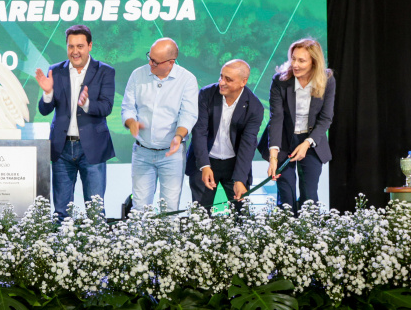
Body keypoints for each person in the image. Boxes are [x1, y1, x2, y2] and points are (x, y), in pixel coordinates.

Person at [34, 24, 116, 220]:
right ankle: (62, 248)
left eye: (80, 46)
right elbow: (44, 110)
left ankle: (97, 248)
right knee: (61, 211)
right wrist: (47, 93)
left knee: (96, 211)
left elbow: (106, 108)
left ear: (90, 46)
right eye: (71, 46)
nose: (75, 51)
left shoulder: (105, 71)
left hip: (92, 149)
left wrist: (87, 104)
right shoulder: (56, 71)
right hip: (61, 149)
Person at [121, 37, 198, 212]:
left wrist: (178, 136)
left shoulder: (187, 80)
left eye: (155, 61)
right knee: (139, 207)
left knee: (169, 208)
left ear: (171, 63)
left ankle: (167, 240)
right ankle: (138, 240)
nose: (150, 63)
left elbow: (188, 114)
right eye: (149, 57)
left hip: (172, 154)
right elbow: (127, 107)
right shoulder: (137, 75)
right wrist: (131, 122)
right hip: (142, 152)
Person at [258, 38, 335, 211]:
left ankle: (308, 234)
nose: (295, 64)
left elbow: (325, 118)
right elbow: (276, 118)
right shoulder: (280, 80)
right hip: (283, 139)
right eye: (293, 58)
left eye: (301, 60)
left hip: (311, 140)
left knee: (309, 195)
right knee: (286, 195)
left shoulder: (327, 80)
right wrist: (273, 157)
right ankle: (286, 233)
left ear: (314, 62)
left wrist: (307, 143)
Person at [186, 59, 263, 211]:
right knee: (200, 217)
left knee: (239, 217)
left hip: (235, 165)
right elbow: (199, 131)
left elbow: (248, 145)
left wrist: (240, 178)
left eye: (228, 79)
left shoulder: (254, 107)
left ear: (243, 82)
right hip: (205, 160)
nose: (222, 82)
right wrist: (204, 166)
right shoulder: (206, 94)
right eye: (221, 77)